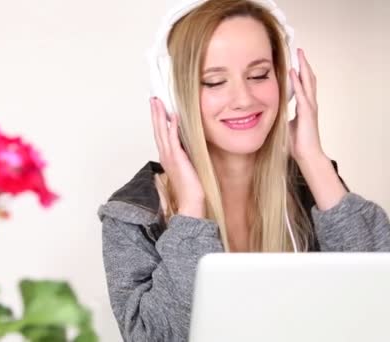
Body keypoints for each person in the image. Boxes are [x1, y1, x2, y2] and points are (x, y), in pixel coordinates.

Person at [98, 0, 390, 340]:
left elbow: (378, 307)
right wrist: (191, 213)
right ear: (172, 94)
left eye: (259, 75)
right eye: (214, 81)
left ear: (287, 82)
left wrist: (312, 157)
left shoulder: (314, 187)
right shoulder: (135, 216)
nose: (243, 98)